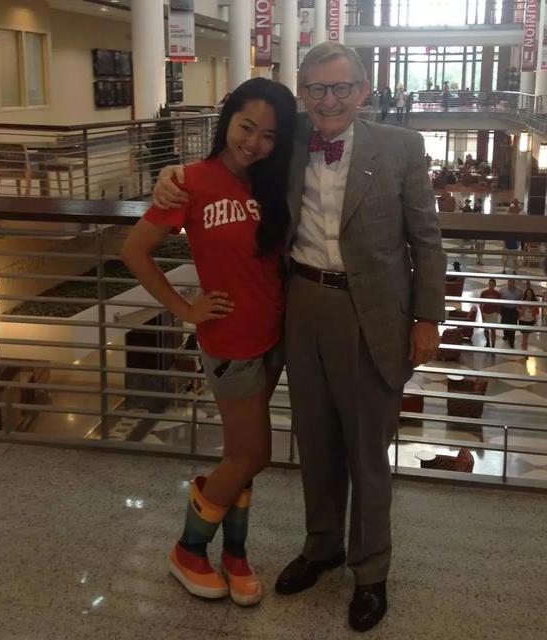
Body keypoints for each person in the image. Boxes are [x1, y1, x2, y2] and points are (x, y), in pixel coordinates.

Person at [152, 41, 445, 632]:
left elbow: (426, 240)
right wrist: (171, 174)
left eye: (341, 88)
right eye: (316, 89)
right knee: (314, 442)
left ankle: (371, 571)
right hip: (303, 304)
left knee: (367, 452)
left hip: (372, 314)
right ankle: (321, 547)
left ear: (363, 91)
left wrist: (426, 318)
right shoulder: (287, 141)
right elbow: (232, 161)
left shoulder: (402, 147)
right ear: (303, 92)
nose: (328, 100)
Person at [121, 78, 297, 608]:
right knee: (253, 453)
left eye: (269, 135)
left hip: (274, 336)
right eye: (247, 127)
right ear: (227, 121)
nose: (254, 143)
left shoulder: (273, 181)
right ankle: (189, 549)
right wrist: (184, 309)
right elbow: (134, 251)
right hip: (230, 341)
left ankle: (236, 554)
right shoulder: (190, 182)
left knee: (241, 455)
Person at [499, 278, 522, 348]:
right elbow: (499, 301)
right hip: (505, 309)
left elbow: (520, 301)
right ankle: (506, 334)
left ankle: (512, 341)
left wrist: (520, 311)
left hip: (514, 310)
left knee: (513, 325)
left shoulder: (519, 291)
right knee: (505, 323)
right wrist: (500, 310)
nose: (511, 283)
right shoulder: (502, 290)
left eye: (513, 282)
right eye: (510, 281)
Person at [518, 282, 539, 353]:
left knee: (526, 336)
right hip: (523, 320)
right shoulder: (523, 301)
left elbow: (537, 312)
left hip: (530, 320)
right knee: (525, 336)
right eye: (527, 293)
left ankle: (523, 346)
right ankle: (524, 350)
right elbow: (518, 309)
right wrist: (522, 310)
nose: (528, 294)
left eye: (530, 293)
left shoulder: (534, 302)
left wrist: (533, 309)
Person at [480, 278, 501, 348]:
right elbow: (480, 304)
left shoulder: (497, 294)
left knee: (493, 330)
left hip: (493, 314)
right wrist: (482, 314)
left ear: (495, 285)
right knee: (486, 330)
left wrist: (498, 313)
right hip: (485, 313)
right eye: (490, 284)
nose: (491, 286)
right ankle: (488, 342)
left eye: (492, 284)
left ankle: (493, 346)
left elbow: (499, 304)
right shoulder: (484, 293)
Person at [502, 198, 521, 272]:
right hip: (508, 242)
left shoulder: (519, 209)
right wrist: (504, 243)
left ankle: (514, 270)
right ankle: (504, 269)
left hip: (514, 243)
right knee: (506, 258)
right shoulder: (510, 209)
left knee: (514, 259)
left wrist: (518, 242)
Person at [473, 197, 485, 264]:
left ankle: (480, 259)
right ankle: (479, 259)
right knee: (477, 246)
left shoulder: (481, 208)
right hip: (477, 229)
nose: (476, 202)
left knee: (481, 245)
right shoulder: (475, 207)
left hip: (481, 231)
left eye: (477, 201)